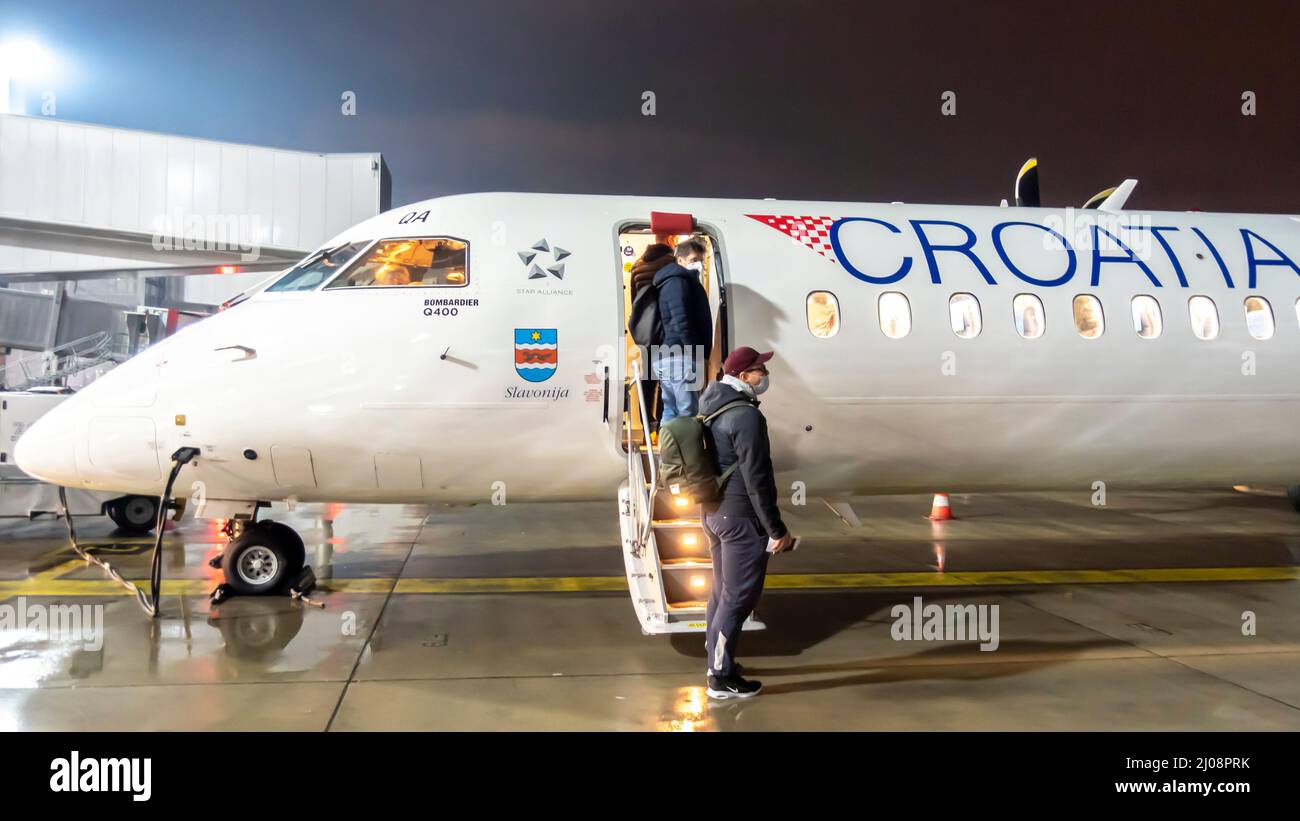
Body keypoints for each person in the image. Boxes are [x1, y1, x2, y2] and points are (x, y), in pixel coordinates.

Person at [697, 346, 795, 699]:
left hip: (714, 512)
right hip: (740, 518)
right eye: (758, 370)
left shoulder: (711, 403)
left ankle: (717, 663)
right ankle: (720, 677)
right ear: (742, 376)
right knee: (739, 597)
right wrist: (776, 528)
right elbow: (757, 478)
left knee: (721, 593)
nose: (763, 376)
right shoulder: (747, 417)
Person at [652, 239, 713, 423]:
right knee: (687, 414)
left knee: (671, 411)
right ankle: (685, 452)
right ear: (680, 260)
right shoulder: (678, 281)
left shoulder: (672, 281)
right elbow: (681, 320)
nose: (699, 264)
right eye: (694, 259)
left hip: (670, 356)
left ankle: (669, 451)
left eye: (701, 260)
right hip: (681, 357)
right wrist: (695, 352)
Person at [628, 243, 675, 427]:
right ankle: (663, 419)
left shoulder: (637, 265)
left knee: (647, 375)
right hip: (664, 326)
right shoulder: (670, 264)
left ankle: (646, 419)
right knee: (666, 377)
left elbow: (635, 300)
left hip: (646, 328)